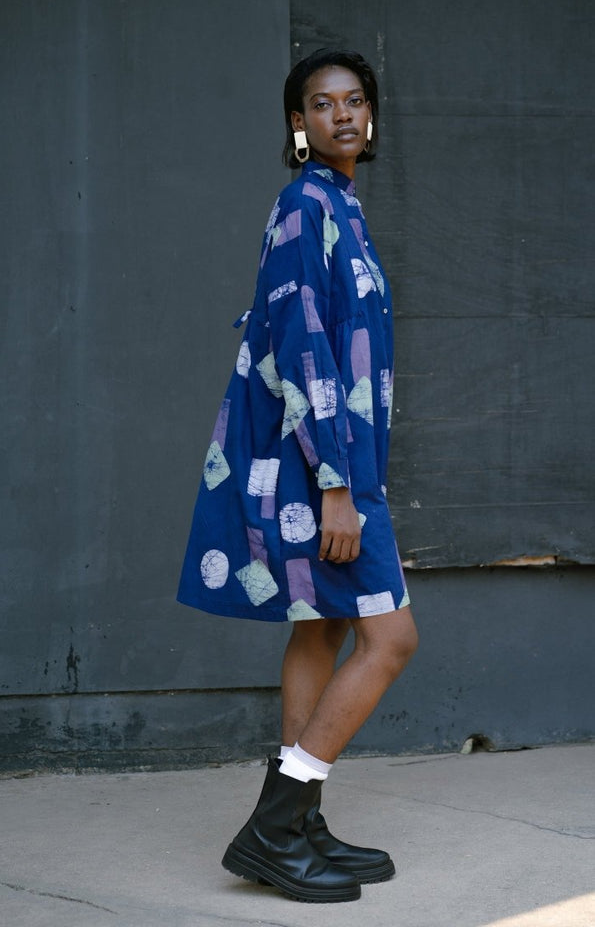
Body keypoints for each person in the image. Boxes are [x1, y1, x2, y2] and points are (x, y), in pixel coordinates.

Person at [177, 48, 418, 904]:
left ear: (370, 117)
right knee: (389, 639)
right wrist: (335, 485)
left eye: (355, 101)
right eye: (322, 104)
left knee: (318, 627)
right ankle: (276, 825)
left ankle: (299, 824)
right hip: (321, 467)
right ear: (298, 123)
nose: (342, 115)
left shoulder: (339, 209)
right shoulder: (302, 207)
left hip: (336, 461)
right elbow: (301, 346)